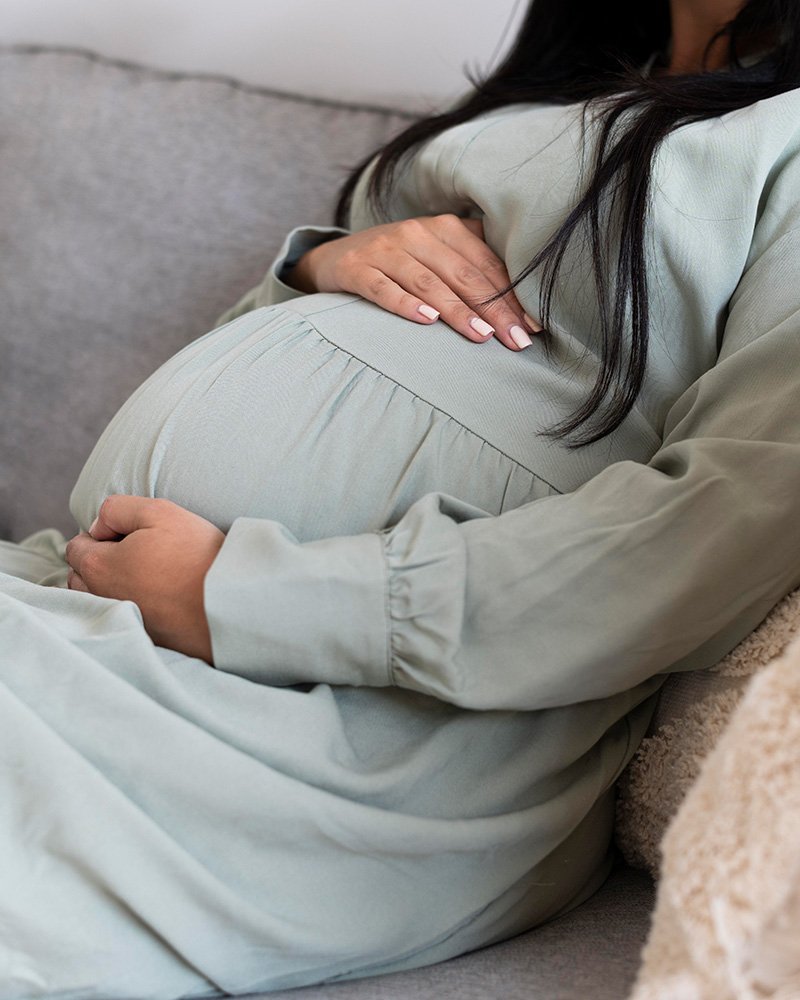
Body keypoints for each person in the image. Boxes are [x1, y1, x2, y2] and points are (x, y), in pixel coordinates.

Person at [1, 0, 799, 995]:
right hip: (107, 602)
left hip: (375, 721)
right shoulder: (578, 79)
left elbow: (711, 537)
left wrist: (238, 596)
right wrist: (323, 265)